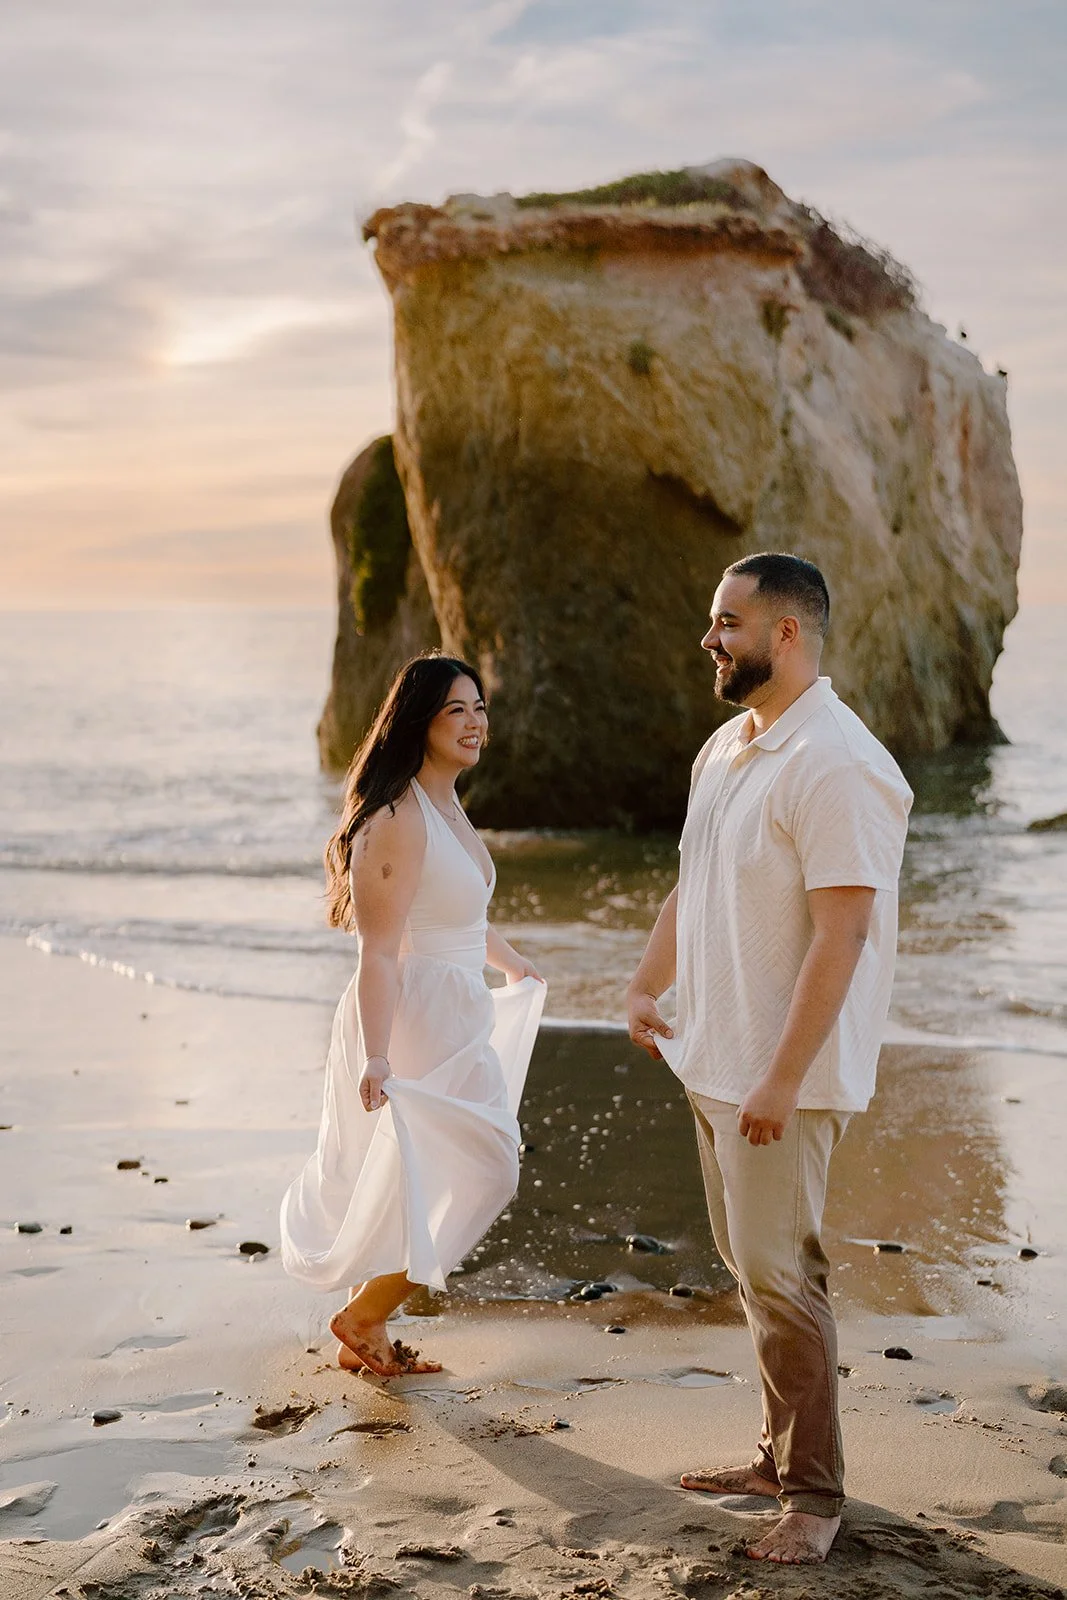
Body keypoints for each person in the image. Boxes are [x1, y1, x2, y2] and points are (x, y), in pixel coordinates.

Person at [627, 553, 912, 1565]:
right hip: (714, 1059)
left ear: (785, 633)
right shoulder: (727, 749)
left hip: (776, 1076)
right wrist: (641, 982)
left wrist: (781, 1078)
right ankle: (773, 1453)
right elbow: (689, 881)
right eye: (713, 622)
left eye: (728, 622)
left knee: (778, 1276)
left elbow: (840, 935)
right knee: (761, 1270)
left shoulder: (837, 762)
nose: (711, 638)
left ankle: (812, 1495)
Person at [281, 654, 545, 1378]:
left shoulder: (448, 805)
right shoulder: (396, 816)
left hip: (457, 1004)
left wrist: (510, 961)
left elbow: (456, 910)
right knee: (484, 1166)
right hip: (418, 1011)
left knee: (443, 1169)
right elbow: (380, 952)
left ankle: (367, 1320)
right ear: (418, 721)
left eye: (480, 709)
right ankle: (367, 1314)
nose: (474, 723)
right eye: (455, 710)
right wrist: (375, 1054)